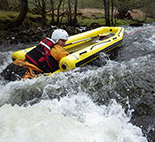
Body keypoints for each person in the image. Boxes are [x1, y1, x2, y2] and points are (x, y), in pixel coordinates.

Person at [0, 29, 69, 81]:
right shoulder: (59, 51)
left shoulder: (43, 43)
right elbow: (69, 60)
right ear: (57, 40)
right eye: (62, 41)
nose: (64, 44)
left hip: (16, 64)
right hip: (26, 72)